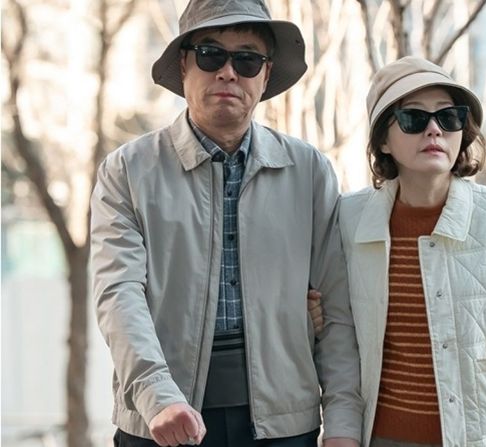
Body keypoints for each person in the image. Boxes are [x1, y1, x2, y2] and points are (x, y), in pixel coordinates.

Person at [89, 1, 362, 446]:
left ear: (266, 74)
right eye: (211, 54)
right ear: (184, 64)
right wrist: (157, 396)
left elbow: (337, 308)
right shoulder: (128, 170)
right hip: (163, 421)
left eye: (247, 59)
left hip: (285, 424)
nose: (228, 73)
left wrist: (344, 425)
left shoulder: (309, 171)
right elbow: (118, 294)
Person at [333, 56, 486, 446]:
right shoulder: (348, 221)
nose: (434, 129)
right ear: (383, 140)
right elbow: (339, 342)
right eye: (414, 118)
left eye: (449, 118)